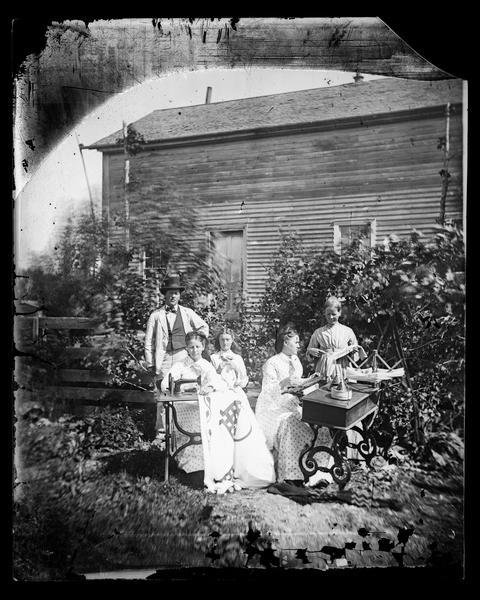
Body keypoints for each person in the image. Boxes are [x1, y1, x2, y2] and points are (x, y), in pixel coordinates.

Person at [161, 331, 275, 494]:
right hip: (184, 406)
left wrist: (210, 387)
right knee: (196, 424)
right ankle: (191, 465)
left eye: (197, 347)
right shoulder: (179, 365)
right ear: (186, 348)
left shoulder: (206, 365)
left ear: (203, 347)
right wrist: (181, 386)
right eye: (191, 347)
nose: (194, 350)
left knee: (212, 426)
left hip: (201, 406)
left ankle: (206, 466)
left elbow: (220, 384)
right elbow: (166, 384)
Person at [255, 324, 334, 487]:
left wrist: (311, 380)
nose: (299, 345)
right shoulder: (272, 363)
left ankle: (319, 473)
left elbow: (298, 382)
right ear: (285, 342)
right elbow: (267, 391)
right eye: (296, 342)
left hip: (294, 403)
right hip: (273, 408)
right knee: (291, 424)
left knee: (322, 426)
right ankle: (292, 476)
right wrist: (284, 383)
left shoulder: (296, 361)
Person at [144, 274, 209, 431]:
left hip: (182, 356)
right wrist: (151, 364)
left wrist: (195, 341)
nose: (173, 296)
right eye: (170, 292)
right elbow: (148, 342)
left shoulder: (187, 312)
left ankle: (181, 430)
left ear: (179, 295)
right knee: (163, 393)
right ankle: (161, 433)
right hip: (164, 358)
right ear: (164, 294)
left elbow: (203, 327)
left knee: (183, 392)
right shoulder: (156, 315)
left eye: (176, 293)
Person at [306, 296, 366, 460]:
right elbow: (309, 352)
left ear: (339, 313)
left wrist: (351, 351)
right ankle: (327, 451)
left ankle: (351, 451)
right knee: (327, 406)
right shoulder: (319, 332)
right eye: (328, 315)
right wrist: (313, 352)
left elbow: (356, 353)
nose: (331, 318)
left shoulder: (347, 331)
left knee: (345, 406)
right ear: (324, 315)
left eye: (334, 314)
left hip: (343, 369)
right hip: (326, 370)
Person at [210, 328, 248, 392]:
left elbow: (243, 379)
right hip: (219, 391)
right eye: (222, 340)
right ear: (219, 341)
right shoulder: (214, 358)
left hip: (235, 391)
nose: (225, 343)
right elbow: (210, 379)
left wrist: (236, 368)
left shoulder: (237, 358)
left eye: (227, 340)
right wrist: (218, 371)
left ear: (232, 340)